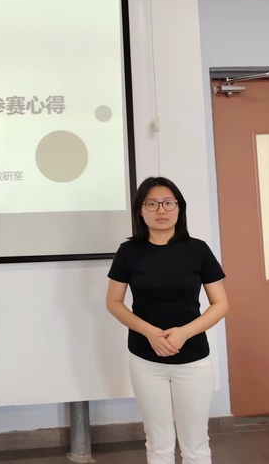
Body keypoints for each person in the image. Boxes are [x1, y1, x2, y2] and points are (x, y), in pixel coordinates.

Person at [106, 176, 229, 464]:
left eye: (168, 203)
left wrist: (184, 333)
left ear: (179, 207)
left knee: (196, 445)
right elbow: (113, 302)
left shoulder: (198, 250)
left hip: (193, 359)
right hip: (145, 358)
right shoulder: (129, 252)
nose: (161, 210)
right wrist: (149, 332)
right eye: (151, 204)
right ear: (140, 210)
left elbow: (221, 304)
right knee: (158, 444)